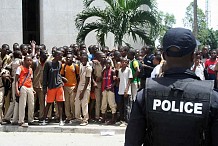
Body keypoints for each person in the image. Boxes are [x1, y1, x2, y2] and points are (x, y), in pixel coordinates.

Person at [125, 28, 218, 146]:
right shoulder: (212, 98)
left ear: (164, 55)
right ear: (193, 57)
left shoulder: (144, 95)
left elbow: (132, 141)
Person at [42, 49, 65, 126]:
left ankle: (61, 120)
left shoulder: (60, 63)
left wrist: (62, 79)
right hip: (51, 86)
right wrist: (44, 87)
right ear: (55, 55)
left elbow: (58, 74)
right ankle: (44, 119)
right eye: (60, 55)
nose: (61, 56)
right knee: (48, 103)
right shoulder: (48, 63)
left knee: (59, 103)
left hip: (59, 85)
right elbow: (45, 76)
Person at [15, 55, 35, 127]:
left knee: (31, 104)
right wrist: (17, 89)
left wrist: (32, 89)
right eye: (28, 60)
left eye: (30, 60)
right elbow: (16, 79)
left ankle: (30, 119)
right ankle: (21, 121)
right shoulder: (20, 68)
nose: (30, 62)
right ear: (24, 61)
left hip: (29, 87)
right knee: (22, 104)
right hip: (23, 87)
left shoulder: (30, 69)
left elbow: (31, 79)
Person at [75, 54, 92, 126]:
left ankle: (85, 119)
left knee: (84, 104)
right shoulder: (81, 66)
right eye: (81, 60)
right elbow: (79, 77)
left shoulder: (89, 68)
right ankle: (78, 118)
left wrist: (83, 92)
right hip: (79, 86)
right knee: (77, 102)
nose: (82, 61)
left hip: (86, 88)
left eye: (84, 60)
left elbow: (87, 81)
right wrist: (77, 86)